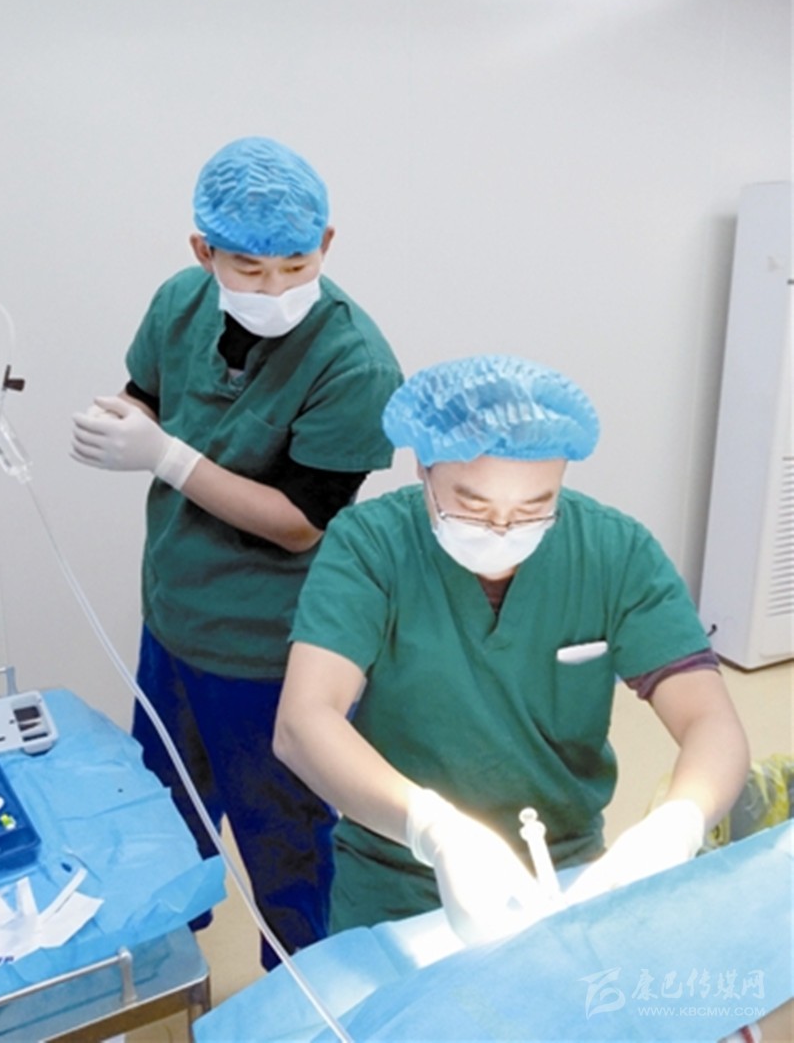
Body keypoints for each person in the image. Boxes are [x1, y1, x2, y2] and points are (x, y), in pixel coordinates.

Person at [273, 354, 750, 946]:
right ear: (424, 467)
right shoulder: (371, 546)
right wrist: (434, 831)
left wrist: (676, 825)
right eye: (473, 506)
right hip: (395, 868)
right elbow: (303, 721)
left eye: (532, 509)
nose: (501, 530)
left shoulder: (614, 552)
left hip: (567, 869)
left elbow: (711, 722)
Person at [71, 136, 403, 967]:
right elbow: (148, 396)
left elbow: (300, 521)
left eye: (296, 265)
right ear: (204, 251)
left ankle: (304, 994)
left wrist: (165, 457)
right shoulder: (178, 303)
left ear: (327, 244)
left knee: (284, 838)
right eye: (249, 269)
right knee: (164, 819)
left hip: (272, 650)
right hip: (175, 622)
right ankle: (164, 975)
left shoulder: (353, 362)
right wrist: (121, 423)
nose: (275, 289)